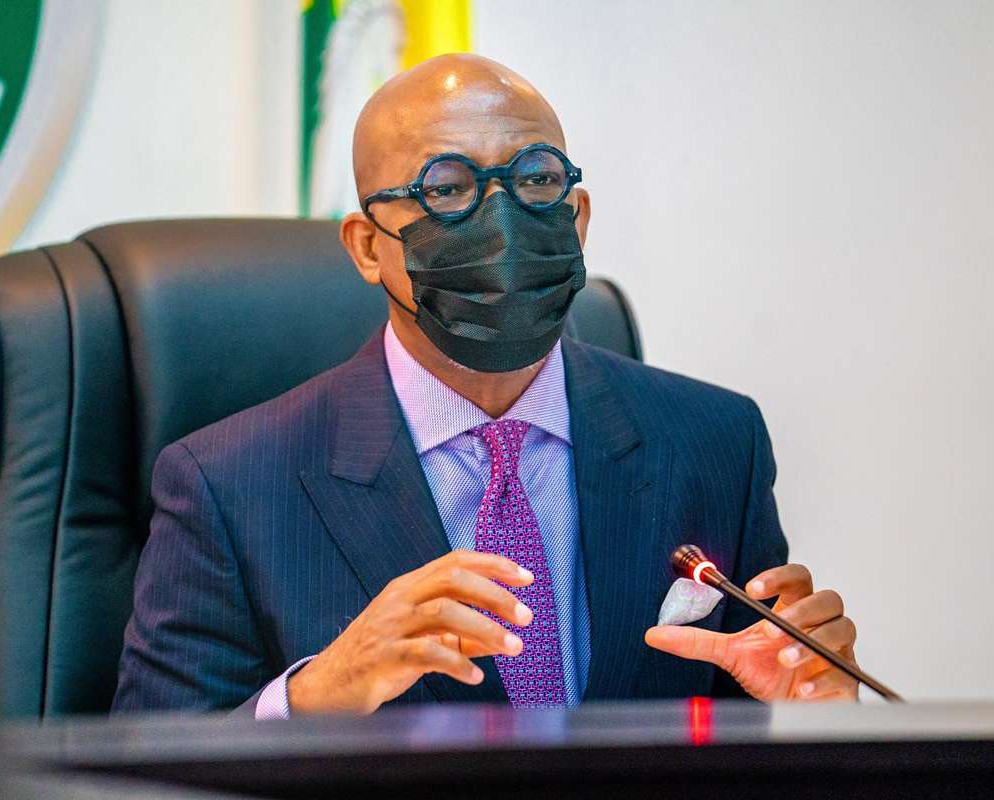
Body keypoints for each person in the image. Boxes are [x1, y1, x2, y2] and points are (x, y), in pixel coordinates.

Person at [113, 54, 860, 718]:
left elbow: (747, 730)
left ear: (577, 217)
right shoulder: (230, 483)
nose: (500, 222)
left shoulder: (715, 443)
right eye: (447, 187)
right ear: (368, 247)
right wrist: (317, 695)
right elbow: (145, 770)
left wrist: (814, 717)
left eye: (536, 178)